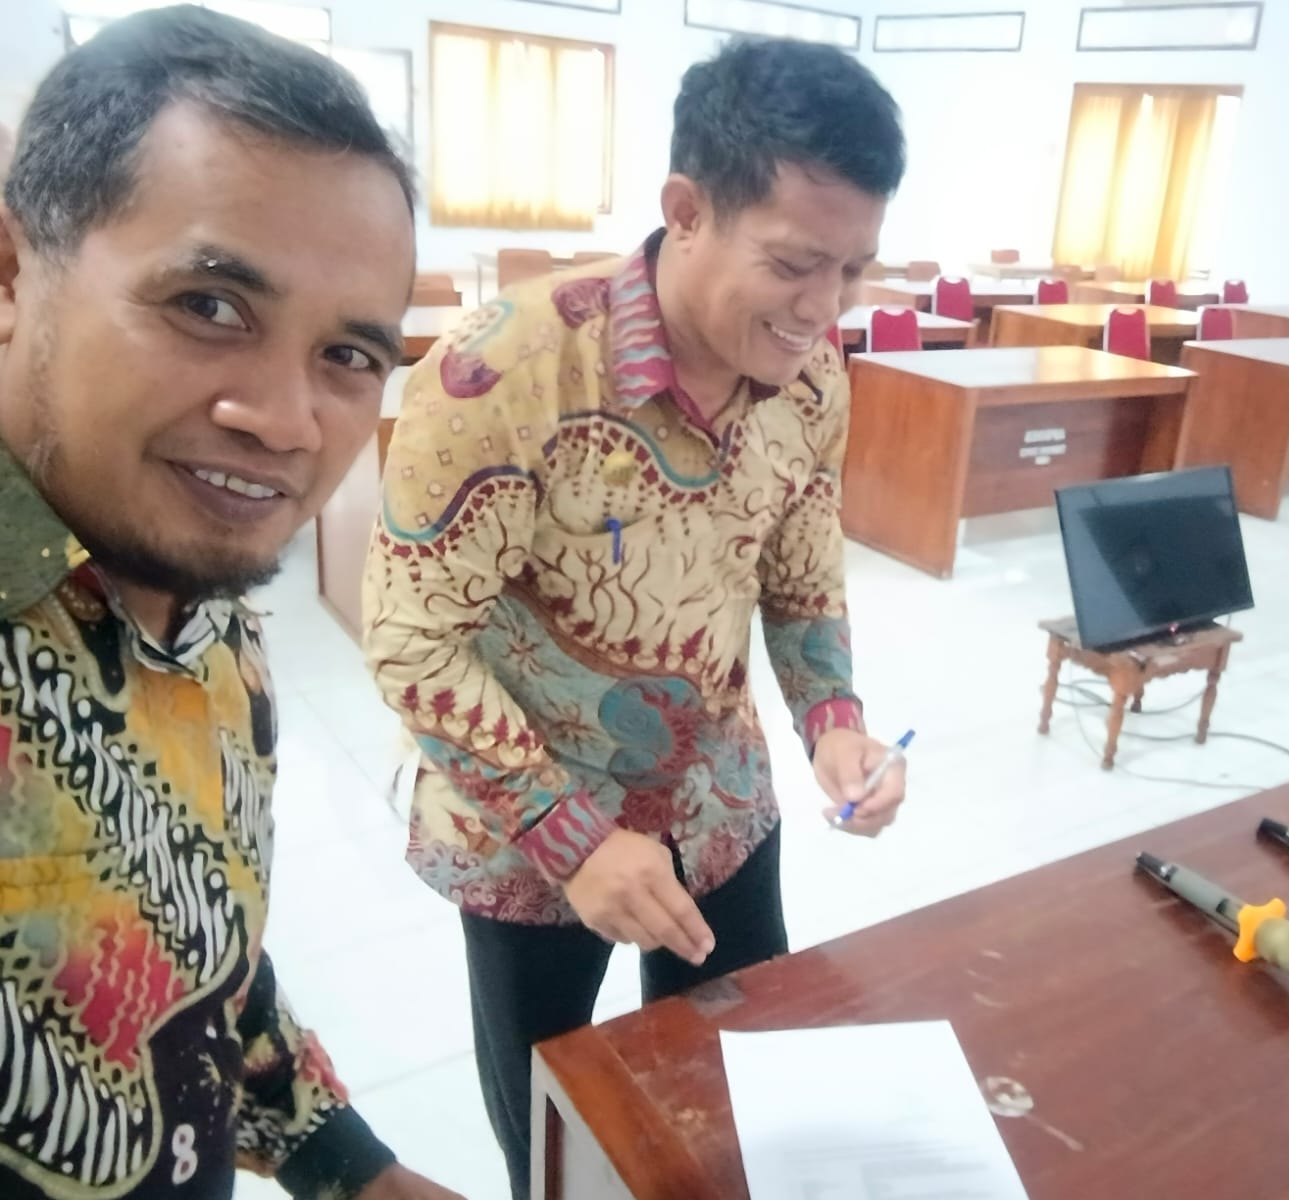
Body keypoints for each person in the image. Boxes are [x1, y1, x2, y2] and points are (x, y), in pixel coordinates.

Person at [363, 36, 909, 1199]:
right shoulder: (504, 371)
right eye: (794, 264)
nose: (823, 309)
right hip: (528, 825)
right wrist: (571, 838)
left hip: (717, 801)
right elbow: (413, 637)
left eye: (854, 270)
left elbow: (802, 571)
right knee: (557, 1132)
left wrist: (834, 721)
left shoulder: (813, 374)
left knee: (737, 1094)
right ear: (686, 210)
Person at [0, 8, 460, 1198]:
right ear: (10, 273)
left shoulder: (207, 604)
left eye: (348, 356)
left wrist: (351, 1167)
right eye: (209, 306)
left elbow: (195, 945)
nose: (287, 423)